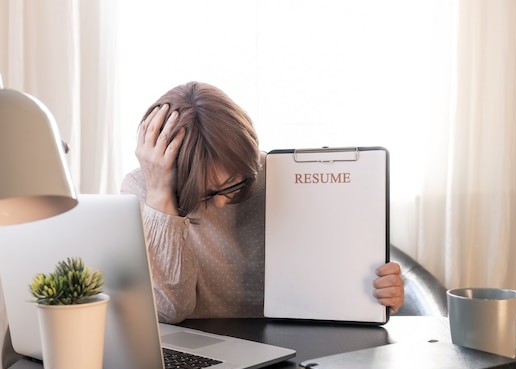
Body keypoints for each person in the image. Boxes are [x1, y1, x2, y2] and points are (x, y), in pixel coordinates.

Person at [121, 81, 404, 324]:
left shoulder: (280, 175)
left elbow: (333, 279)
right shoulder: (143, 189)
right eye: (203, 194)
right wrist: (160, 197)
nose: (220, 204)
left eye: (233, 183)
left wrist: (376, 293)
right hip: (197, 346)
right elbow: (170, 312)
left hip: (286, 341)